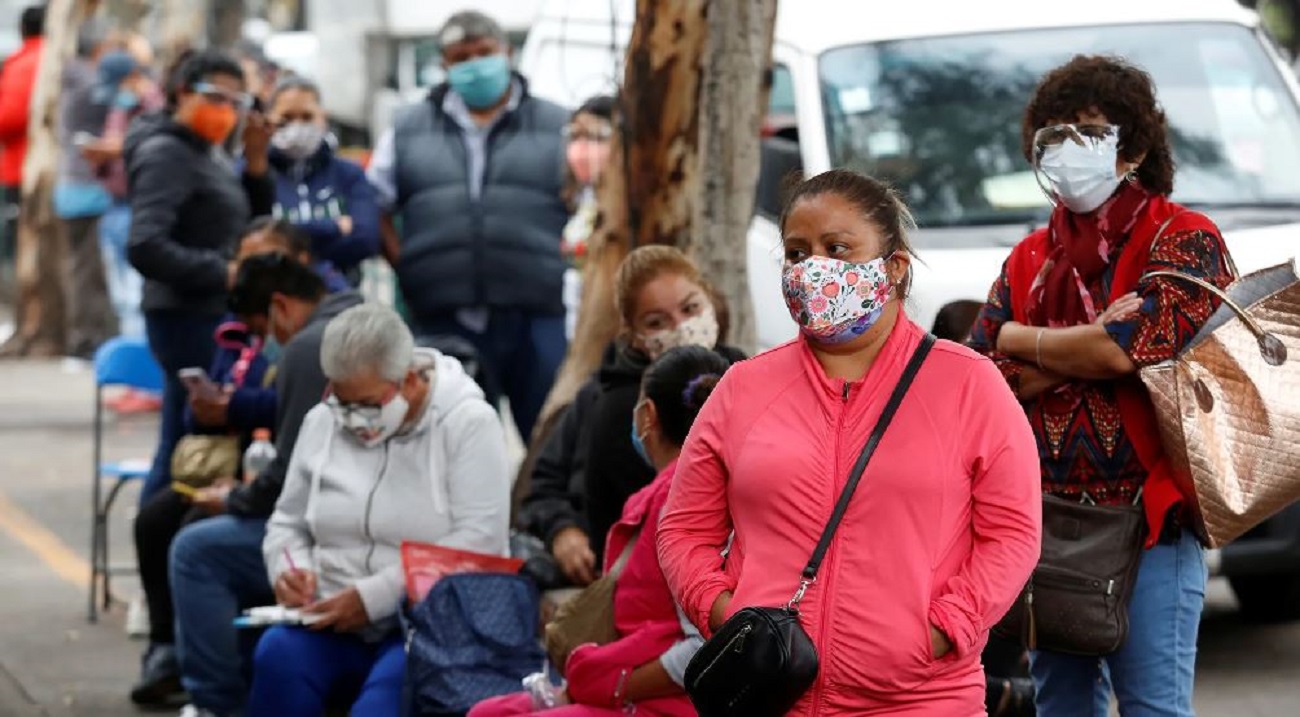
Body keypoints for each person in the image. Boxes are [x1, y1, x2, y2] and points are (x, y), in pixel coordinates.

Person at [656, 169, 1042, 715]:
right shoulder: (743, 388)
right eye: (796, 252)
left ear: (894, 267)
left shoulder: (968, 384)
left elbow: (1012, 534)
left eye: (837, 247)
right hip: (773, 696)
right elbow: (683, 528)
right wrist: (724, 612)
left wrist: (942, 630)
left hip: (922, 699)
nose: (813, 267)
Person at [967, 55, 1233, 717]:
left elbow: (1131, 350)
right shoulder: (1030, 255)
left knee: (1153, 708)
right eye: (1049, 134)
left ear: (1133, 147)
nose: (1062, 151)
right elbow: (981, 376)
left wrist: (1022, 339)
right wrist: (1080, 343)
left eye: (1084, 132)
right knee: (1060, 709)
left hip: (1149, 521)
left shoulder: (1185, 239)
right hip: (1047, 523)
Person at [248, 304, 511, 716]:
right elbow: (287, 522)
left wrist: (374, 597)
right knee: (278, 656)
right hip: (330, 613)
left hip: (427, 625)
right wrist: (289, 569)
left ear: (408, 379)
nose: (354, 421)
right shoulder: (322, 422)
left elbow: (482, 543)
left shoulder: (468, 424)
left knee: (381, 706)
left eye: (368, 404)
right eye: (341, 402)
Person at [474, 345, 732, 717]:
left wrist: (613, 684)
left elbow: (704, 646)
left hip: (670, 701)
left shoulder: (687, 500)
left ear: (647, 416)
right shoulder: (677, 491)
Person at [168, 254, 363, 717]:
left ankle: (217, 703)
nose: (266, 344)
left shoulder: (310, 346)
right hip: (355, 527)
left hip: (333, 535)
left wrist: (231, 499)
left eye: (262, 330)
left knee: (193, 550)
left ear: (280, 306)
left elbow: (291, 477)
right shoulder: (361, 319)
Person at [367, 9, 570, 441]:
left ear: (507, 53)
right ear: (443, 65)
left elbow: (587, 204)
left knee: (550, 437)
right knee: (451, 439)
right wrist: (408, 267)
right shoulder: (407, 127)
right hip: (444, 314)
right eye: (461, 57)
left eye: (484, 52)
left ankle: (543, 512)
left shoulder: (558, 125)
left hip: (534, 311)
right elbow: (375, 205)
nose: (474, 64)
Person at [518, 245, 744, 587]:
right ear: (634, 336)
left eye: (690, 308)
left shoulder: (741, 375)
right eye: (657, 322)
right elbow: (544, 482)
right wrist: (562, 529)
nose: (682, 327)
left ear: (709, 301)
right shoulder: (606, 402)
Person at [125, 49, 274, 505]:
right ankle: (162, 550)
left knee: (188, 443)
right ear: (183, 93)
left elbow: (247, 223)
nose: (227, 110)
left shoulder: (205, 151)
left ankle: (167, 551)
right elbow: (145, 243)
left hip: (210, 312)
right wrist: (224, 273)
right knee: (187, 449)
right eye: (216, 97)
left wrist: (255, 166)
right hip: (187, 316)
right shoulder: (167, 153)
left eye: (237, 100)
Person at [265, 76, 379, 284]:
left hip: (340, 297)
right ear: (269, 119)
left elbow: (366, 240)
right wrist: (333, 227)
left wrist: (284, 238)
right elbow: (256, 244)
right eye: (287, 117)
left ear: (323, 117)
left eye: (307, 117)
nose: (297, 125)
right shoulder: (255, 177)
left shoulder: (349, 174)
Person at [53, 19, 120, 358]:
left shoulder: (68, 80)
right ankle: (88, 341)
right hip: (90, 188)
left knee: (81, 270)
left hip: (70, 186)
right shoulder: (91, 84)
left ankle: (86, 339)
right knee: (91, 273)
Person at [559, 95, 614, 339]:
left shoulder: (629, 210)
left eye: (597, 137)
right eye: (575, 136)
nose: (582, 150)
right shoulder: (584, 200)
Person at [0, 5, 44, 280]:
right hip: (49, 171)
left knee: (18, 238)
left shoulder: (23, 63)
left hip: (22, 166)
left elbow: (8, 117)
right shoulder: (60, 57)